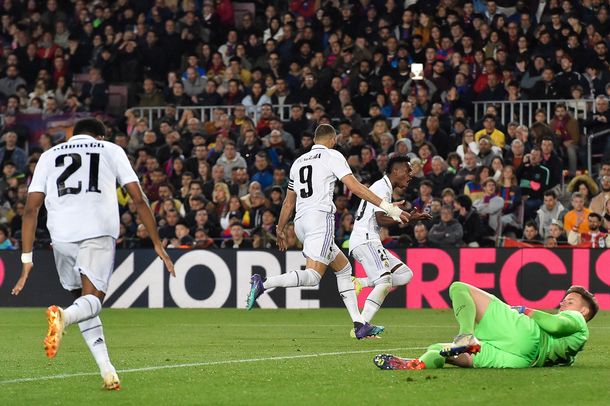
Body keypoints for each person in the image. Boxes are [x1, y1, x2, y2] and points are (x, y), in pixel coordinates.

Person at [11, 118, 175, 390]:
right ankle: (63, 316)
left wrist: (27, 260)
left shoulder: (48, 155)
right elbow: (137, 197)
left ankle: (107, 371)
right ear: (100, 135)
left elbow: (31, 209)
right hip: (97, 230)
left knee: (84, 302)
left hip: (61, 237)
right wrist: (157, 242)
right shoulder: (110, 149)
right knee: (93, 301)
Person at [246, 124, 409, 339]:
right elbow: (355, 187)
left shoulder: (298, 162)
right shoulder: (332, 155)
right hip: (320, 219)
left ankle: (360, 324)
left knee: (343, 269)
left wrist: (280, 229)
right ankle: (263, 283)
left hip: (301, 222)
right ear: (332, 140)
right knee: (313, 277)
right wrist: (387, 206)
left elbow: (288, 203)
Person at [374, 283, 598, 370]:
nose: (563, 303)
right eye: (564, 300)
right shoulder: (573, 351)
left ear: (584, 311)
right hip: (521, 361)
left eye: (570, 301)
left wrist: (525, 310)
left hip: (524, 334)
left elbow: (556, 326)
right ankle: (418, 364)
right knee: (438, 349)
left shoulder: (577, 320)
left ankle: (466, 335)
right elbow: (562, 357)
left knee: (459, 288)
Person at [349, 156, 430, 327]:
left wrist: (407, 216)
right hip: (366, 239)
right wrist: (403, 217)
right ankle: (361, 325)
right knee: (384, 282)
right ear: (396, 171)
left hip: (369, 240)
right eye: (408, 171)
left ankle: (361, 282)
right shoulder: (381, 187)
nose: (410, 175)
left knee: (404, 275)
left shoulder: (383, 187)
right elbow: (380, 220)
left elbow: (382, 216)